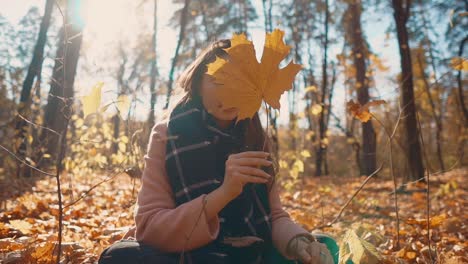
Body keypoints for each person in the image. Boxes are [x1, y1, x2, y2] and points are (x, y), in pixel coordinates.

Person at [98, 39, 336, 264]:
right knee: (119, 257)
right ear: (199, 82)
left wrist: (298, 243)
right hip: (187, 256)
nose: (229, 94)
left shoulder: (255, 136)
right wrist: (224, 193)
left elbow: (275, 217)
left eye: (241, 83)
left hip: (254, 252)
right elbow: (150, 228)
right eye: (219, 80)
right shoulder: (167, 133)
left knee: (325, 245)